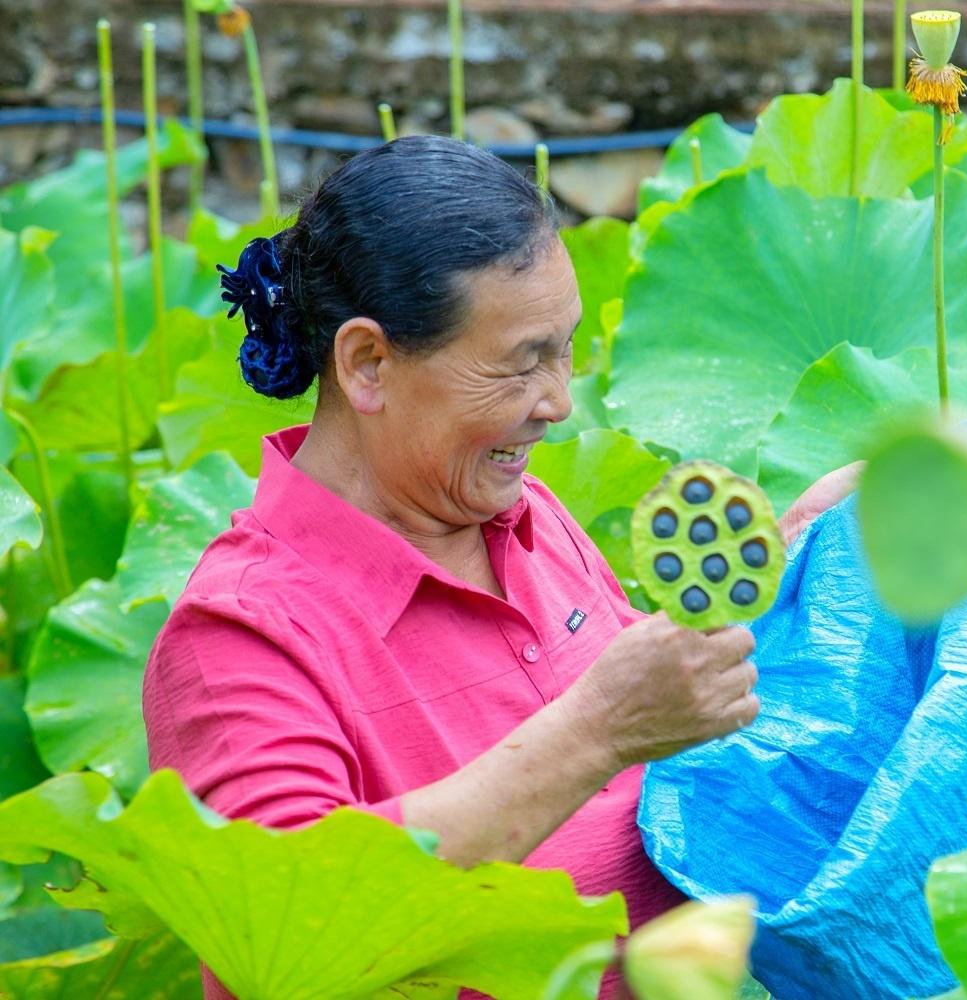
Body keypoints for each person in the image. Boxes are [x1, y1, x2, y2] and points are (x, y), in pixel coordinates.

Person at [140, 135, 859, 1000]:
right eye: (524, 362)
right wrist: (595, 731)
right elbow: (291, 940)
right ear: (368, 363)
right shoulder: (236, 634)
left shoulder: (527, 518)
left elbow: (669, 736)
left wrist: (785, 568)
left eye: (565, 351)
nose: (558, 403)